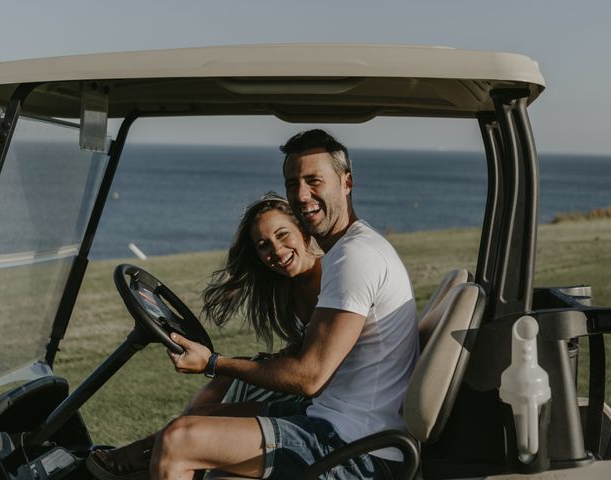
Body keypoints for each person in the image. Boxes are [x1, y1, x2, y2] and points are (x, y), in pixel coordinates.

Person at [148, 129, 419, 480]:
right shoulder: (348, 251)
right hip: (334, 425)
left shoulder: (356, 256)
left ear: (346, 182)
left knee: (178, 441)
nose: (302, 195)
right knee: (207, 436)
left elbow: (309, 377)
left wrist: (214, 363)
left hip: (355, 449)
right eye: (293, 184)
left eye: (313, 181)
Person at [87, 193, 321, 479]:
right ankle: (158, 453)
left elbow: (318, 370)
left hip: (320, 408)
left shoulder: (328, 281)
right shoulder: (293, 288)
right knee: (227, 381)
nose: (276, 248)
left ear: (303, 231)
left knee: (221, 382)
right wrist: (288, 351)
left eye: (283, 234)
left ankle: (150, 454)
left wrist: (212, 362)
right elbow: (316, 344)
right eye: (264, 245)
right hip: (308, 396)